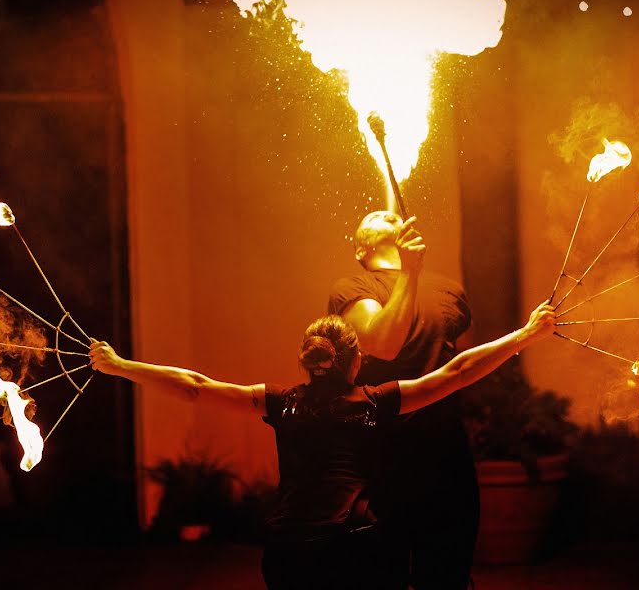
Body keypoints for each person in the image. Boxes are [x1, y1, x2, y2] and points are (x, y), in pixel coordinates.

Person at [89, 308, 555, 589]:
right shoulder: (378, 400)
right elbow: (456, 373)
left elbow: (194, 386)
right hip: (359, 548)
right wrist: (527, 335)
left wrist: (119, 365)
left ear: (307, 363)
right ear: (356, 361)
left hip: (289, 552)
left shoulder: (281, 401)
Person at [327, 210, 482, 589]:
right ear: (360, 247)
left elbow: (455, 362)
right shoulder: (353, 288)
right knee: (381, 575)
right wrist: (409, 271)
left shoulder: (449, 290)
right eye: (374, 216)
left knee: (447, 576)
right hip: (381, 456)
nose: (387, 213)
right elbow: (383, 344)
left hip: (446, 455)